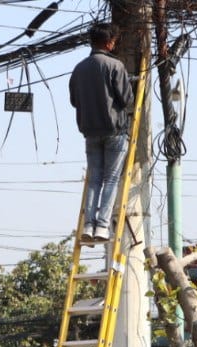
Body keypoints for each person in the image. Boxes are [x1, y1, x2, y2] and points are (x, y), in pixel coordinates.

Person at [69, 21, 133, 245]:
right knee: (111, 178)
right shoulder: (115, 66)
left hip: (89, 131)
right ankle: (103, 227)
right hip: (114, 130)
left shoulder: (79, 69)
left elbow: (74, 101)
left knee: (94, 179)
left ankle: (89, 225)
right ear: (109, 43)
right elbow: (126, 99)